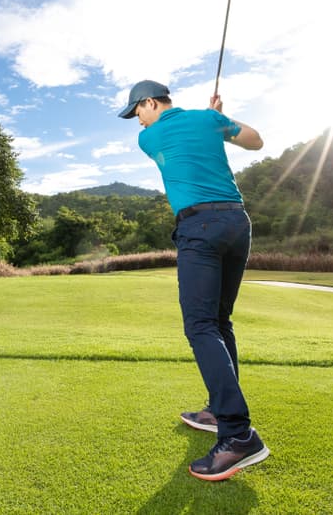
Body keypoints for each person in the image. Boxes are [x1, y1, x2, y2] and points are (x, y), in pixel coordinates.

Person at [118, 79, 267, 482]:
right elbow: (256, 142)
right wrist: (220, 118)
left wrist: (211, 118)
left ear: (150, 103)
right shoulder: (208, 120)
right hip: (238, 223)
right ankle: (219, 413)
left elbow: (168, 138)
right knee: (220, 322)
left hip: (200, 226)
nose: (138, 123)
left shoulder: (149, 140)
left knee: (200, 325)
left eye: (138, 113)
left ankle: (238, 434)